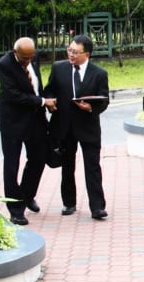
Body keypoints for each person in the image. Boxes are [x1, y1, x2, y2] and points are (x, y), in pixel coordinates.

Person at [44, 34, 110, 220]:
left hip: (88, 126)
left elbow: (104, 100)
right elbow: (49, 90)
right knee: (67, 166)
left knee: (92, 166)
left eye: (75, 52)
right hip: (64, 126)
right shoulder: (59, 68)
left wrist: (91, 108)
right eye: (69, 50)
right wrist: (50, 102)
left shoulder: (99, 73)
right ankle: (69, 202)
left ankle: (97, 207)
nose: (71, 54)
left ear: (87, 54)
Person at [0, 37, 56, 226]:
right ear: (15, 53)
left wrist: (47, 100)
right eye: (24, 58)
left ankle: (26, 195)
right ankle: (15, 210)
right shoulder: (4, 64)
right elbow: (13, 95)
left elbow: (36, 86)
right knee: (12, 165)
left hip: (35, 119)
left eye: (31, 57)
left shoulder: (32, 58)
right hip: (13, 121)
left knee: (39, 158)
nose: (28, 61)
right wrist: (42, 102)